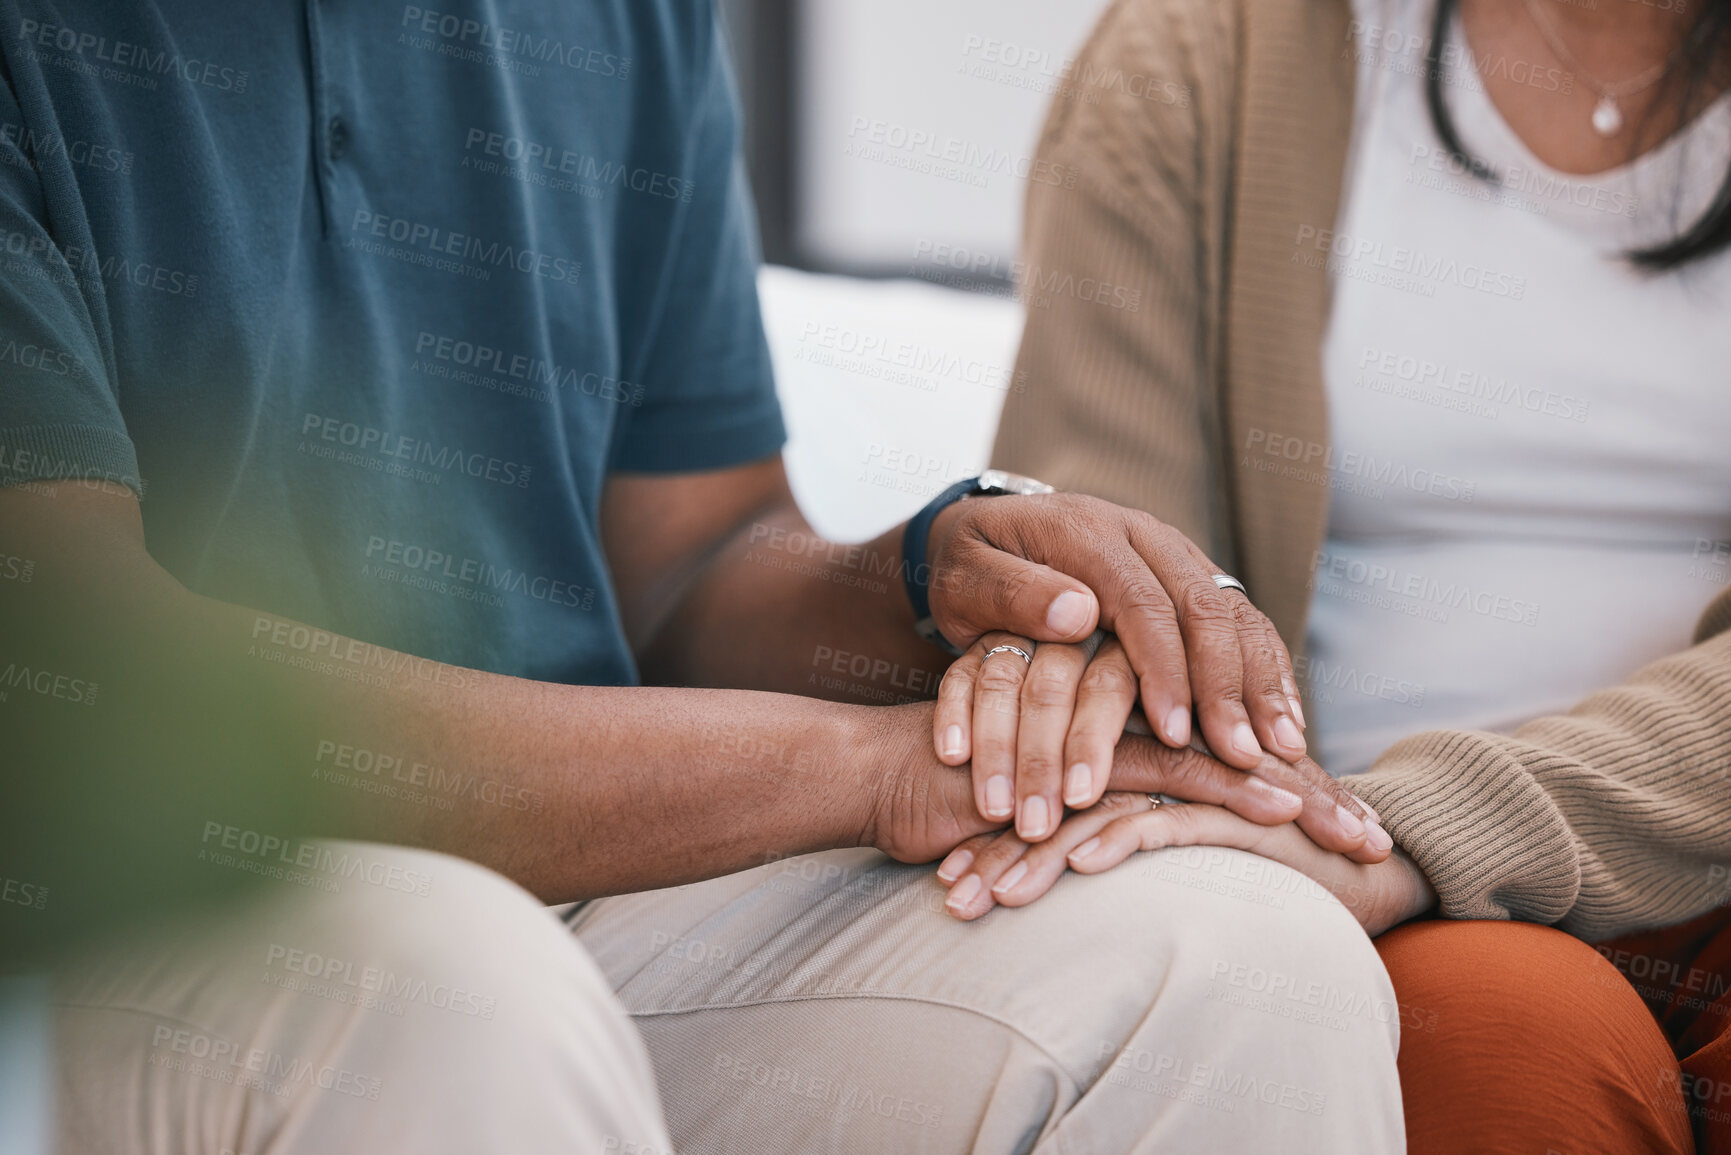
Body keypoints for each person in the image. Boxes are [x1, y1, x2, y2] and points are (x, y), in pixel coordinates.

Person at [0, 2, 1409, 1152]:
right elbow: (102, 686)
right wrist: (871, 765)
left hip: (595, 890)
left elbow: (688, 561)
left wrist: (925, 578)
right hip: (122, 919)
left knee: (1245, 961)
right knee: (457, 988)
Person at [960, 0, 1731, 1150]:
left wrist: (1432, 824)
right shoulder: (1202, 50)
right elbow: (1108, 591)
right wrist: (1329, 835)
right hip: (1358, 882)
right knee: (1505, 1057)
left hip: (1429, 838)